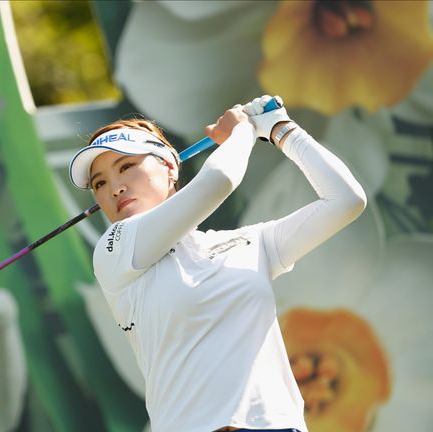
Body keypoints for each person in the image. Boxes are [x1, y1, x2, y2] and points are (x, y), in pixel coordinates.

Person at [68, 95, 366, 432]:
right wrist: (244, 131)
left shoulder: (251, 245)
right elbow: (220, 180)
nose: (115, 188)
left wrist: (280, 129)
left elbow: (346, 200)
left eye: (126, 167)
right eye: (100, 183)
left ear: (169, 167)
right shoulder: (115, 250)